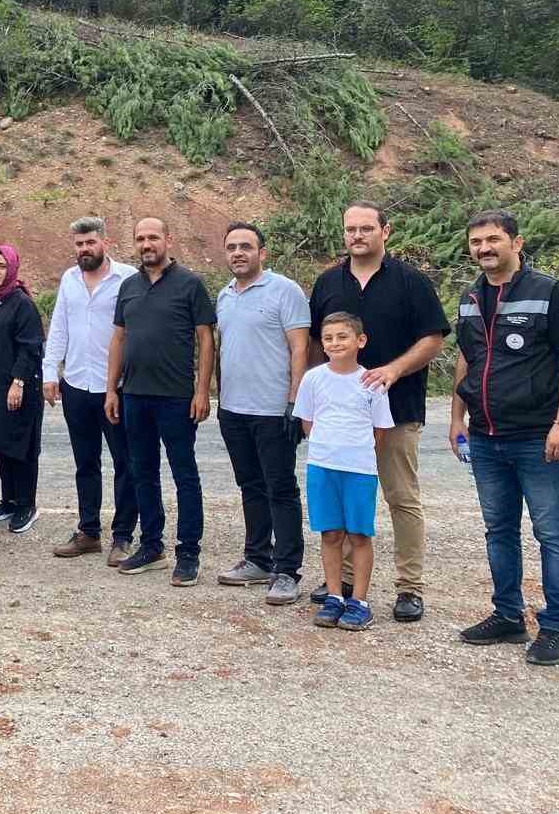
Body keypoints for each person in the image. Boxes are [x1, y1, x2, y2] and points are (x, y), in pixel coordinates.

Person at [452, 209, 559, 666]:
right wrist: (457, 419)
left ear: (516, 242)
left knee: (551, 532)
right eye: (476, 242)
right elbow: (467, 359)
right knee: (499, 531)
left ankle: (554, 627)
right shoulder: (470, 297)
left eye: (493, 239)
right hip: (486, 437)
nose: (484, 249)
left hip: (537, 437)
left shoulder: (549, 292)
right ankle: (507, 616)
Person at [309, 200, 449, 621]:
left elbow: (433, 339)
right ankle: (345, 582)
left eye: (366, 228)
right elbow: (318, 344)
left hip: (397, 409)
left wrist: (393, 369)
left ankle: (409, 587)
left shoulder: (411, 282)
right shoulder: (328, 282)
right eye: (350, 229)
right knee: (344, 499)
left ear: (385, 232)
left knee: (401, 498)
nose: (357, 236)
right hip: (339, 419)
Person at [104, 217, 215, 586]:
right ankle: (152, 546)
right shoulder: (129, 287)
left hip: (177, 397)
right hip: (134, 395)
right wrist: (111, 389)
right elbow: (119, 339)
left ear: (169, 239)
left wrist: (202, 390)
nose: (146, 243)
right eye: (140, 239)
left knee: (184, 474)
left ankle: (188, 553)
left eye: (153, 237)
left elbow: (205, 339)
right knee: (142, 472)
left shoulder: (190, 284)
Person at [214, 222, 310, 606]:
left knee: (280, 488)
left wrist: (295, 402)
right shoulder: (223, 295)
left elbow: (300, 349)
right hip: (233, 409)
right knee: (250, 486)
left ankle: (287, 570)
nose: (238, 253)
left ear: (262, 253)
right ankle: (257, 558)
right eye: (232, 247)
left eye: (246, 247)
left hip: (273, 410)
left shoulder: (285, 291)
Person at [44, 216, 140, 563]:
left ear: (105, 243)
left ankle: (123, 536)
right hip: (76, 384)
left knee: (124, 462)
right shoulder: (70, 279)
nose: (84, 249)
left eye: (90, 243)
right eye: (79, 244)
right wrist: (49, 373)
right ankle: (88, 532)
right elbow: (59, 328)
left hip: (114, 387)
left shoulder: (127, 277)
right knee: (85, 462)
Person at [294, 312, 396, 632]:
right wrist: (327, 447)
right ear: (322, 344)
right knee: (331, 533)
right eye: (328, 338)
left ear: (360, 341)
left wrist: (356, 451)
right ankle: (335, 596)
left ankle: (359, 602)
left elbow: (380, 430)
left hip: (359, 469)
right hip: (322, 466)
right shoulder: (313, 379)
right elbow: (308, 421)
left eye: (343, 336)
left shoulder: (372, 382)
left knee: (359, 535)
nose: (335, 343)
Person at [0, 245, 45, 534]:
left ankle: (27, 504)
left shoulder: (21, 303)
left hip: (19, 388)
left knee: (22, 446)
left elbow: (30, 347)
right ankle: (10, 500)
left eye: (2, 266)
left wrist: (18, 382)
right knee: (2, 442)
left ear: (12, 268)